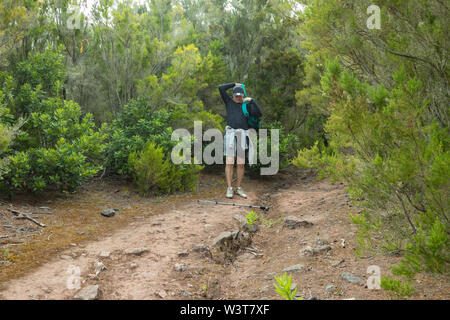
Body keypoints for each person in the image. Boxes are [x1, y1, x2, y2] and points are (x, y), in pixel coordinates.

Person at [219, 82, 262, 199]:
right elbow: (221, 88)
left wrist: (252, 100)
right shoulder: (229, 102)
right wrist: (234, 84)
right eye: (236, 95)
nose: (238, 97)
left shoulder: (246, 105)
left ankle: (238, 187)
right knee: (229, 162)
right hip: (230, 134)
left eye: (240, 95)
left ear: (243, 95)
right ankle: (229, 188)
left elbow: (258, 113)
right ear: (233, 95)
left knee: (241, 164)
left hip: (243, 134)